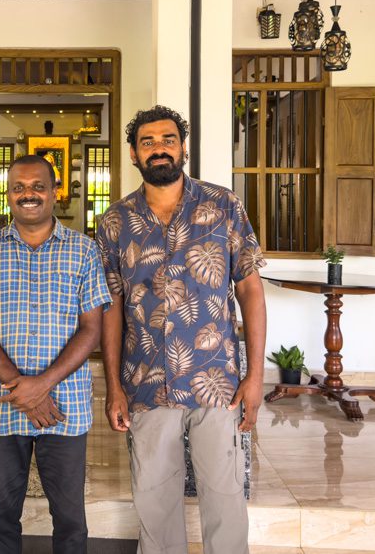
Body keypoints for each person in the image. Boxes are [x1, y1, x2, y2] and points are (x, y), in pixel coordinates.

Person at [97, 105, 267, 554]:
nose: (159, 149)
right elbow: (111, 308)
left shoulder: (223, 205)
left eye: (167, 140)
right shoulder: (114, 222)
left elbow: (250, 289)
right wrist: (113, 386)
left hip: (216, 382)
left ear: (183, 148)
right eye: (148, 142)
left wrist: (255, 376)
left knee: (225, 498)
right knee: (154, 504)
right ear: (133, 153)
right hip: (145, 381)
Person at [0, 154, 110, 554]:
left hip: (65, 406)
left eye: (38, 186)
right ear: (8, 194)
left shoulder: (84, 251)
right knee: (0, 516)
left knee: (71, 519)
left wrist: (42, 385)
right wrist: (21, 387)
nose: (28, 194)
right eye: (19, 188)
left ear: (55, 192)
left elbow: (91, 330)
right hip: (2, 404)